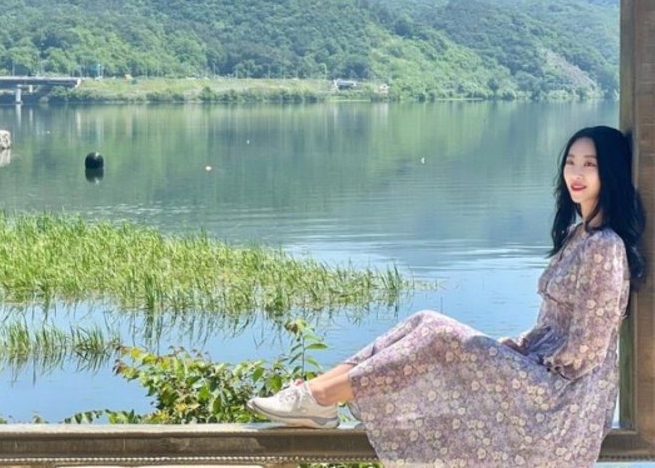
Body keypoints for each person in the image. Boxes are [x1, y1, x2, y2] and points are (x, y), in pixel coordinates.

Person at [248, 125, 646, 468]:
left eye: (589, 164)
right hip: (542, 376)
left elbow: (588, 349)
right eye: (571, 162)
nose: (575, 173)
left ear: (608, 172)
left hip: (562, 399)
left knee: (439, 332)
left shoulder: (604, 247)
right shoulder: (580, 236)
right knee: (423, 321)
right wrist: (517, 349)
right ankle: (315, 396)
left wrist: (526, 363)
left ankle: (317, 397)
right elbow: (550, 326)